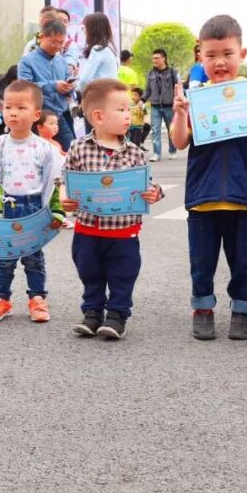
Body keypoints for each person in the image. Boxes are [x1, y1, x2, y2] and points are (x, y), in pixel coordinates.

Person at [169, 16, 247, 341]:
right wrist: (180, 114)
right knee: (202, 262)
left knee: (243, 262)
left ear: (242, 53)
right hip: (202, 197)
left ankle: (242, 310)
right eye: (210, 55)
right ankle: (203, 308)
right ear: (200, 57)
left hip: (242, 196)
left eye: (227, 53)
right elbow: (179, 141)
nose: (219, 61)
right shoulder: (196, 97)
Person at [63, 78, 164, 340]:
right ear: (98, 116)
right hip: (87, 229)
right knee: (89, 271)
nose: (128, 115)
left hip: (123, 232)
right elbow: (68, 180)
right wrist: (66, 198)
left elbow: (148, 184)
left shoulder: (135, 153)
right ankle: (92, 313)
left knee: (123, 273)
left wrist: (154, 193)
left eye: (128, 109)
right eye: (121, 110)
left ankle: (118, 315)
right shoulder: (79, 147)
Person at [0, 80, 64, 324]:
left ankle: (37, 299)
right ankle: (1, 299)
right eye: (8, 107)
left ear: (36, 114)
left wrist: (56, 213)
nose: (13, 112)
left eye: (21, 107)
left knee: (33, 259)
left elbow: (53, 183)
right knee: (4, 259)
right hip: (5, 208)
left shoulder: (44, 148)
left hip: (34, 208)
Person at [18, 17, 75, 151]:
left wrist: (69, 88)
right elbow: (25, 87)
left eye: (61, 43)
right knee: (38, 154)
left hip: (59, 117)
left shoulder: (62, 61)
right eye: (54, 42)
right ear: (43, 37)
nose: (58, 46)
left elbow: (67, 83)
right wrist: (53, 86)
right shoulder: (27, 61)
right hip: (38, 119)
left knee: (72, 151)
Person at [144, 48, 179, 161]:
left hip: (170, 106)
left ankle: (172, 150)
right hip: (155, 107)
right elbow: (148, 90)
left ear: (164, 58)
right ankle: (156, 153)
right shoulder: (150, 73)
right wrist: (142, 100)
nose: (154, 60)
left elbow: (178, 89)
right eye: (153, 58)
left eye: (157, 58)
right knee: (155, 130)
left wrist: (177, 102)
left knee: (171, 130)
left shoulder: (172, 72)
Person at [75, 12, 119, 91]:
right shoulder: (108, 49)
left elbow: (84, 80)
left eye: (85, 28)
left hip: (100, 98)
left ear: (92, 30)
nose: (84, 31)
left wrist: (77, 91)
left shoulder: (98, 50)